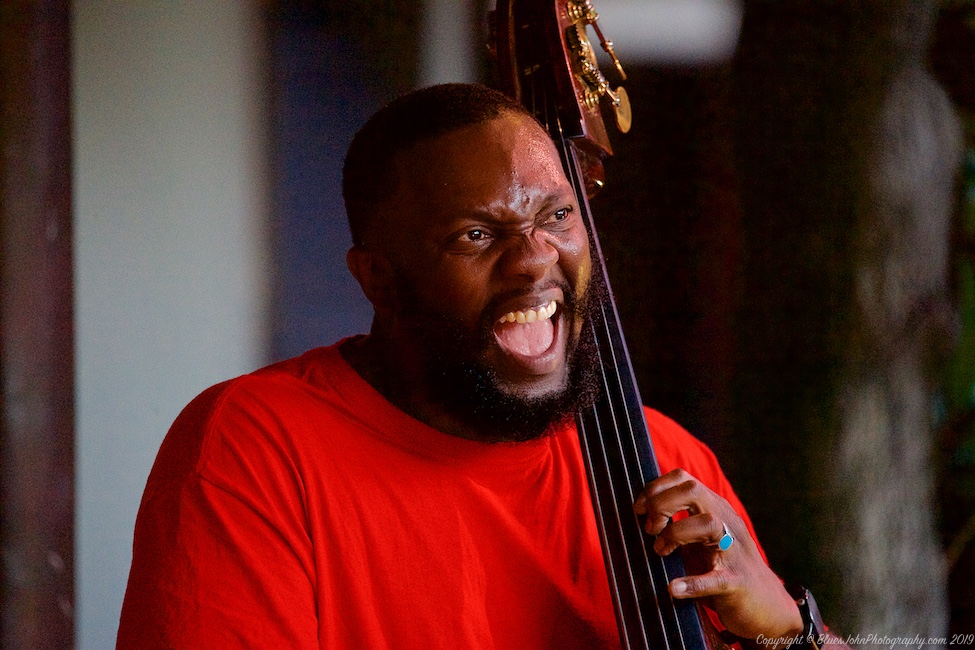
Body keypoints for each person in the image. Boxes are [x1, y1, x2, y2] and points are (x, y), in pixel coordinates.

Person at [117, 83, 842, 649]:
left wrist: (783, 629)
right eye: (474, 234)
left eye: (556, 217)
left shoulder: (663, 461)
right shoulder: (254, 447)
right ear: (378, 280)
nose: (534, 258)